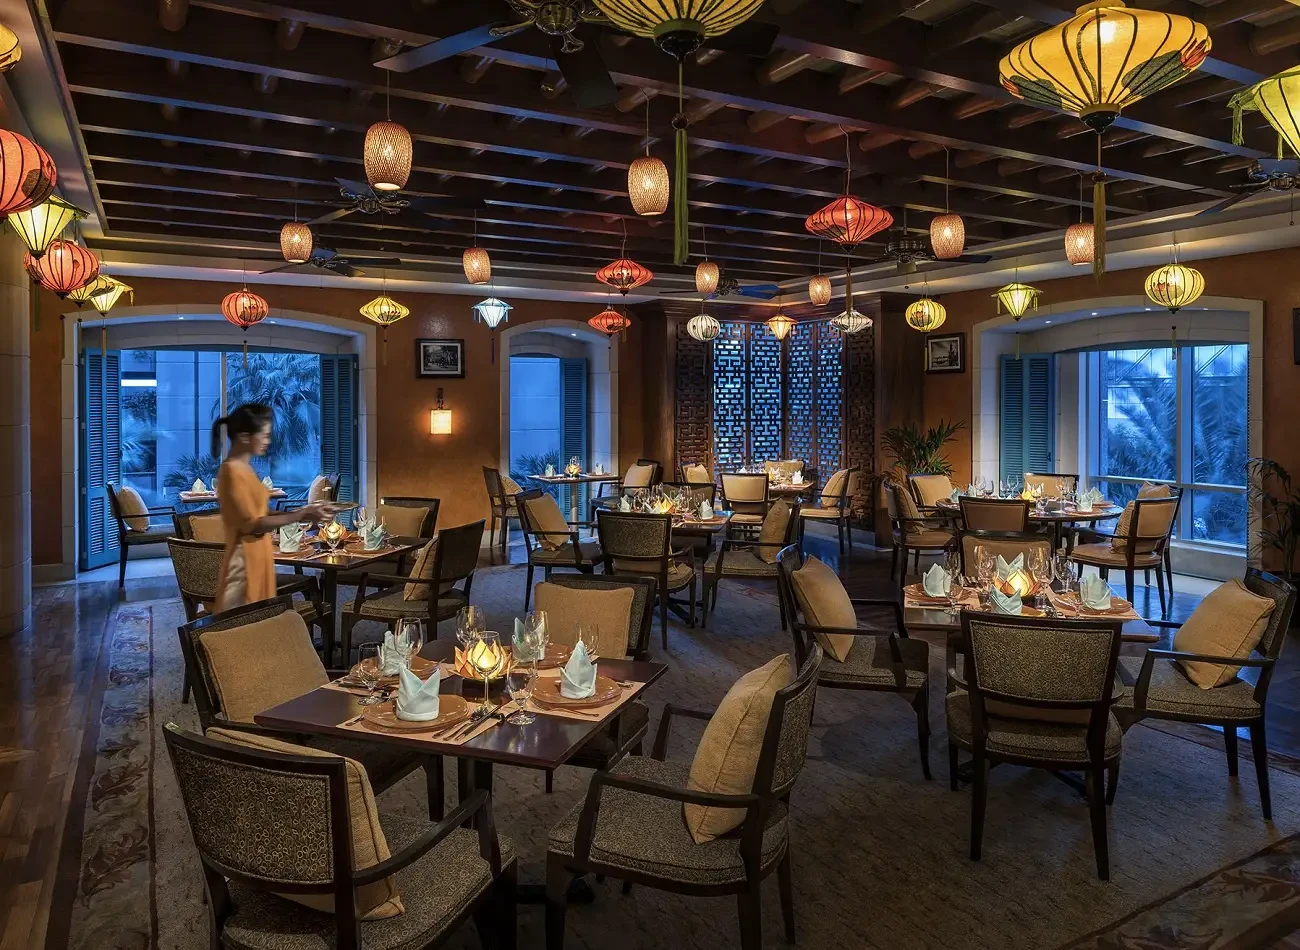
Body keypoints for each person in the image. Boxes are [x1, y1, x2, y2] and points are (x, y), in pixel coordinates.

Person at [211, 403, 335, 612]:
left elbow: (263, 513)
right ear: (244, 436)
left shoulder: (245, 470)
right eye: (265, 435)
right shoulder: (231, 471)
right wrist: (300, 514)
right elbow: (251, 525)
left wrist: (306, 515)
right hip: (244, 563)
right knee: (242, 631)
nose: (268, 441)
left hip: (258, 558)